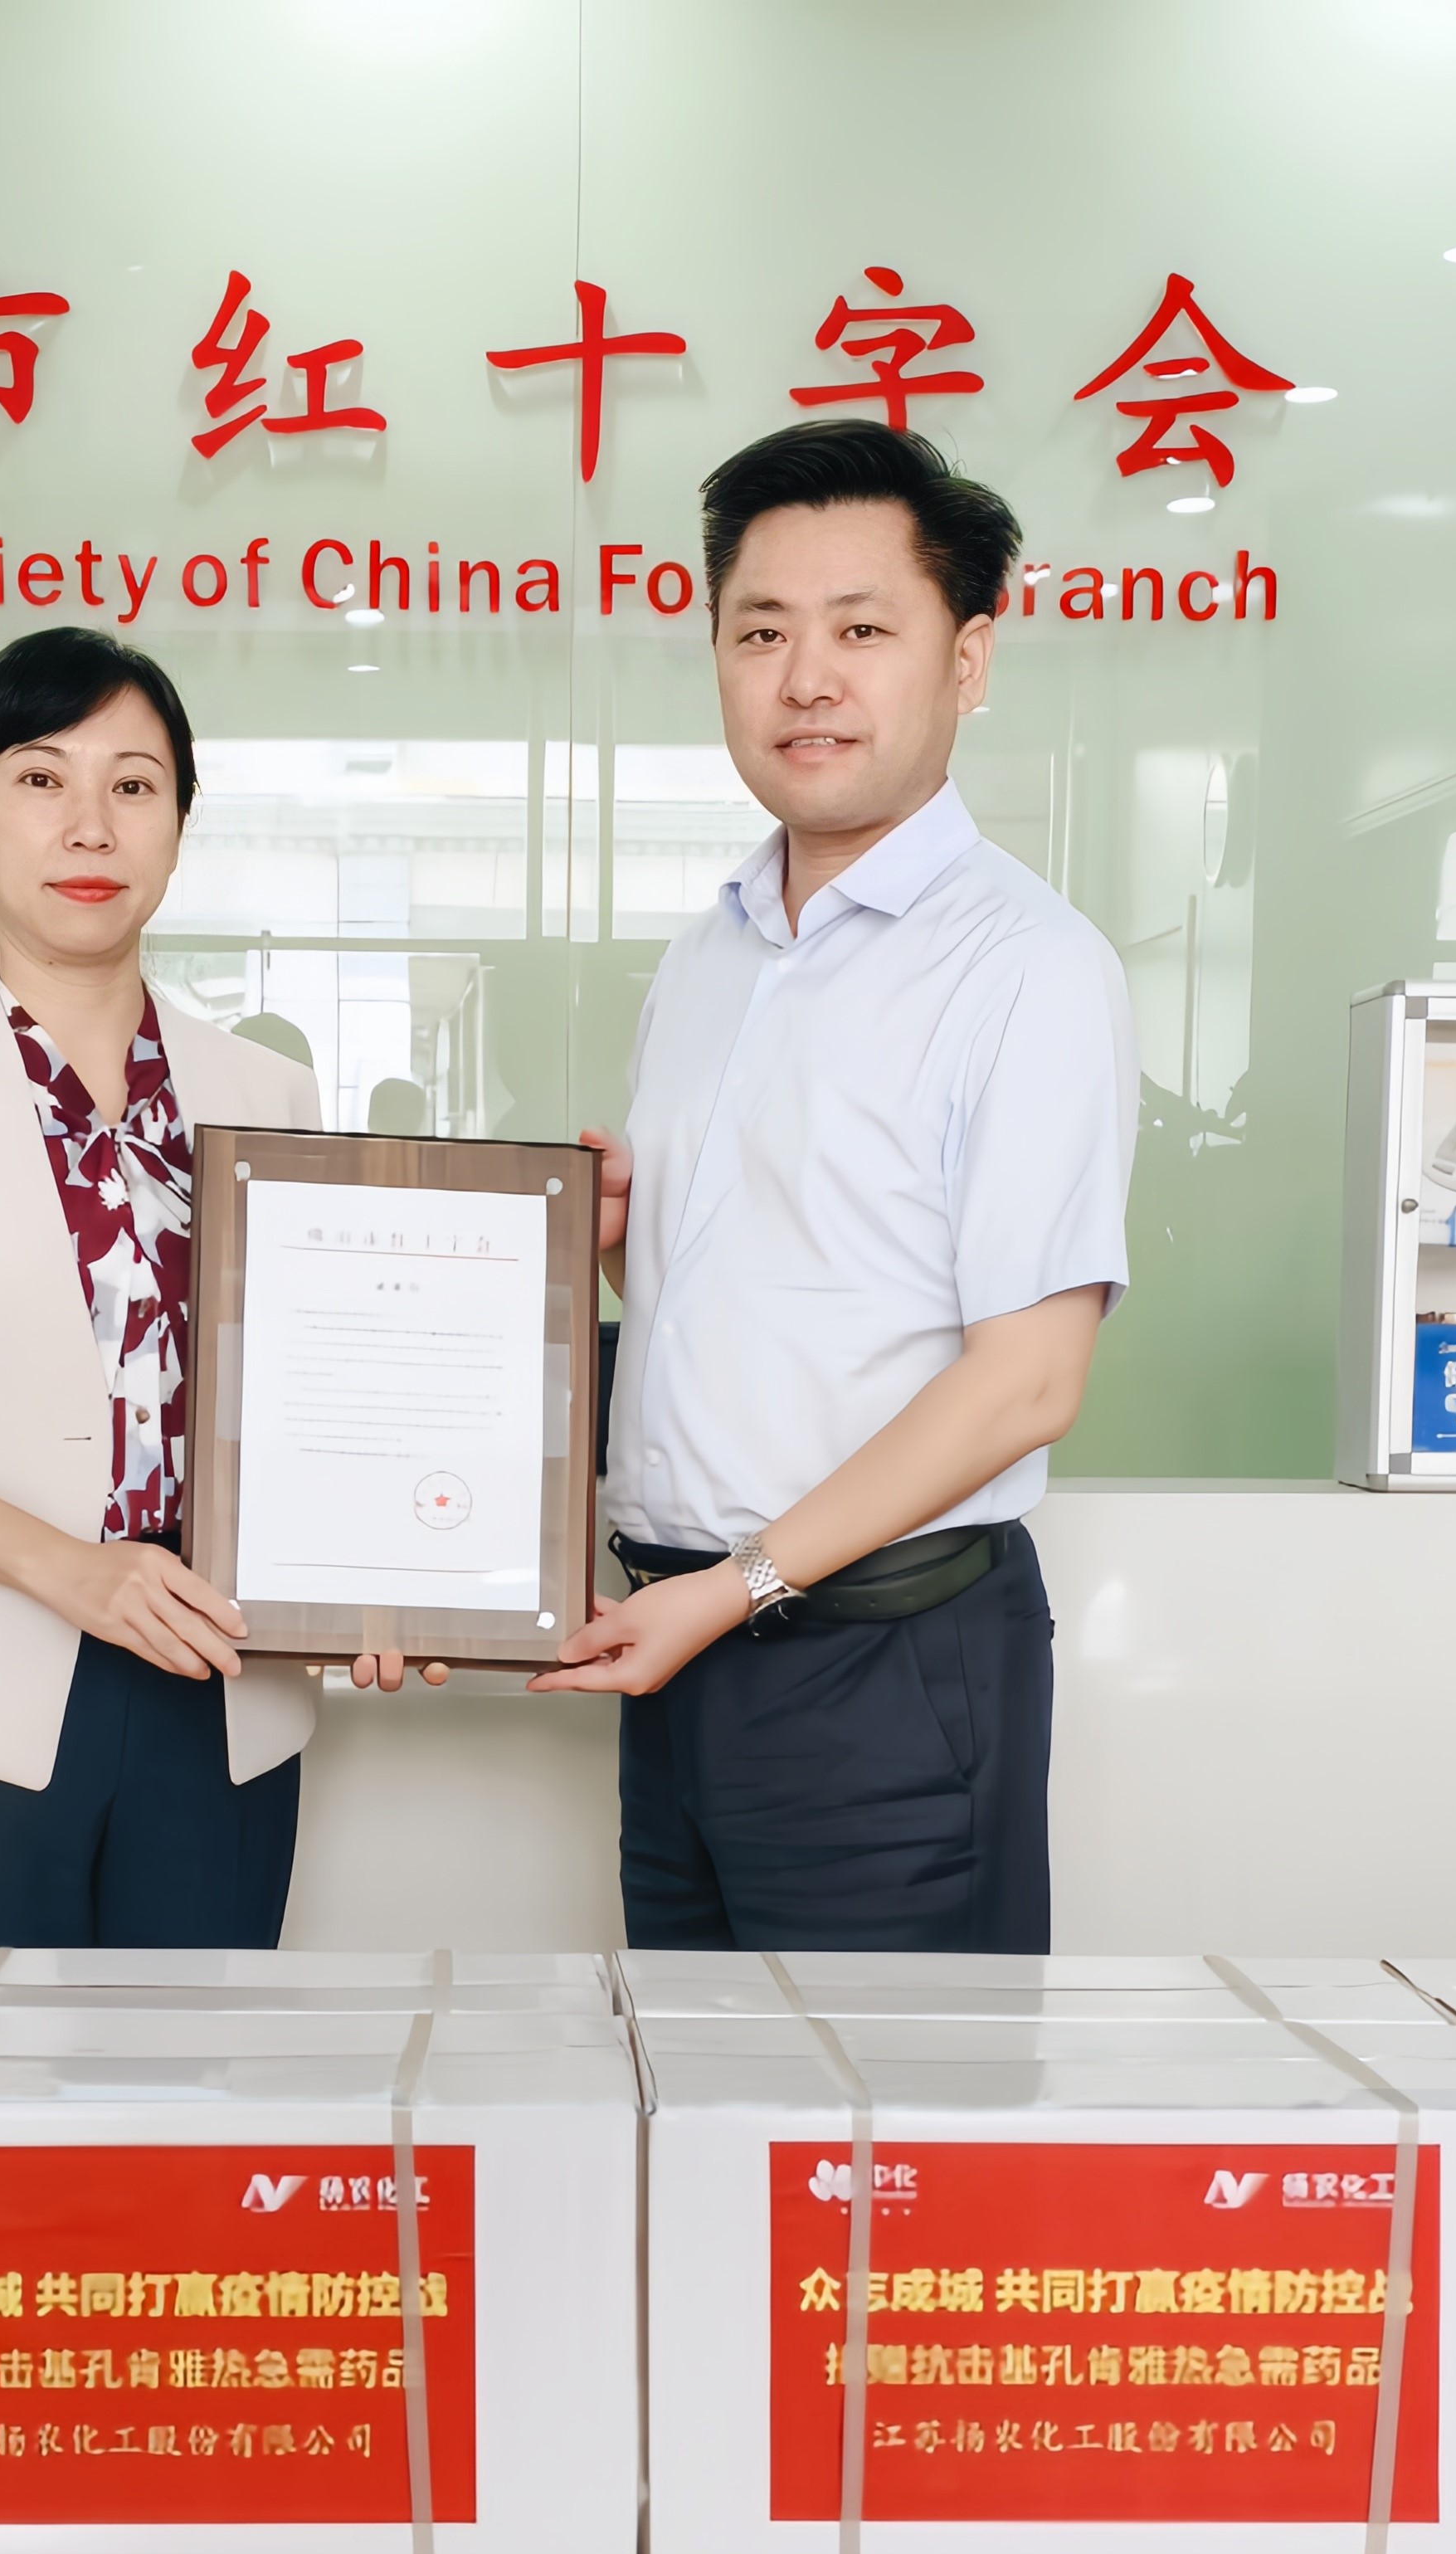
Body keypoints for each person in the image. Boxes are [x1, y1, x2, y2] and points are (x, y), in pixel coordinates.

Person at [534, 421, 1136, 1953]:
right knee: (697, 2090)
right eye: (762, 632)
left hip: (887, 1666)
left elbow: (1028, 1380)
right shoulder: (708, 954)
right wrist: (624, 1253)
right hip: (680, 1649)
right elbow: (789, 1297)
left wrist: (733, 1588)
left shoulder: (1030, 967)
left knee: (886, 2109)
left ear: (969, 659)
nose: (806, 678)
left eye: (862, 630)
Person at [0, 626, 436, 1943]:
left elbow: (324, 1386)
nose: (90, 825)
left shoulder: (269, 1089)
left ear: (178, 825)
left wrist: (380, 1571)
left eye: (133, 785)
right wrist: (70, 1569)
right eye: (38, 779)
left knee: (193, 2066)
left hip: (223, 1682)